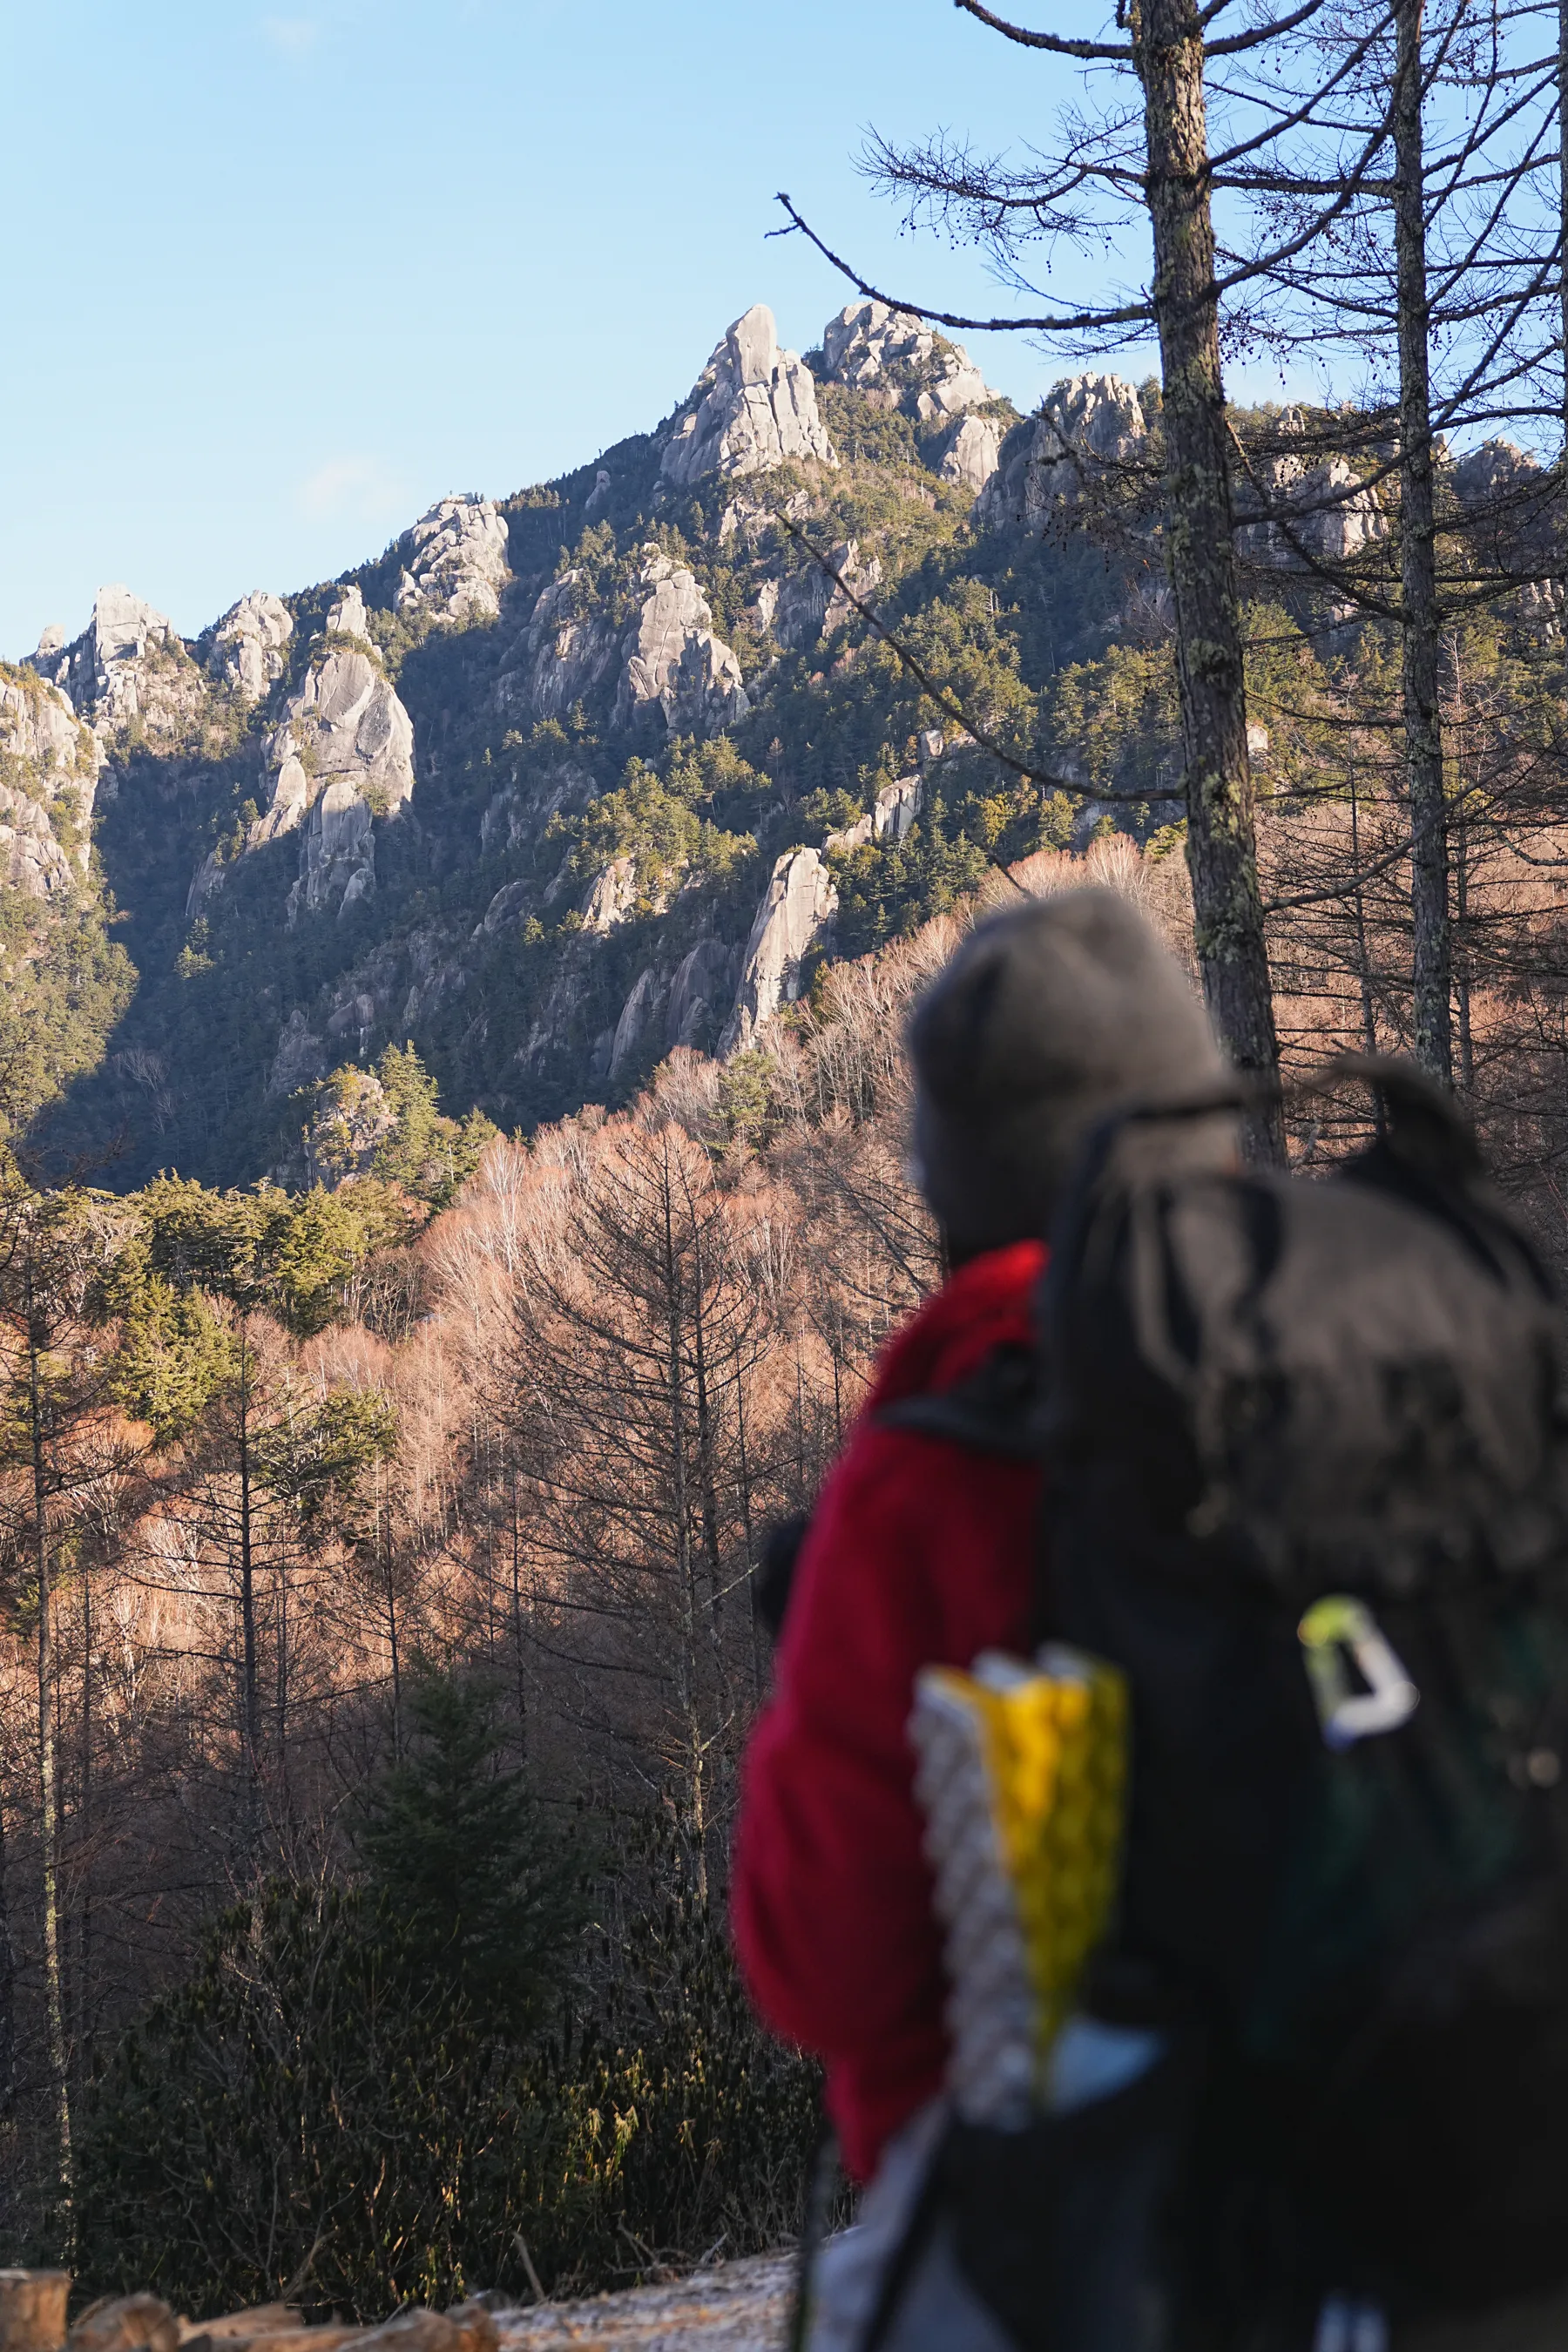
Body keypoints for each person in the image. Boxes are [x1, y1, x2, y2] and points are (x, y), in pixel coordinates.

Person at [731, 885, 1233, 2351]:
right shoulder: (1365, 1353)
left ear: (953, 1185)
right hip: (1427, 2149)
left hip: (1067, 2242)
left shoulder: (935, 1465)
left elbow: (816, 1963)